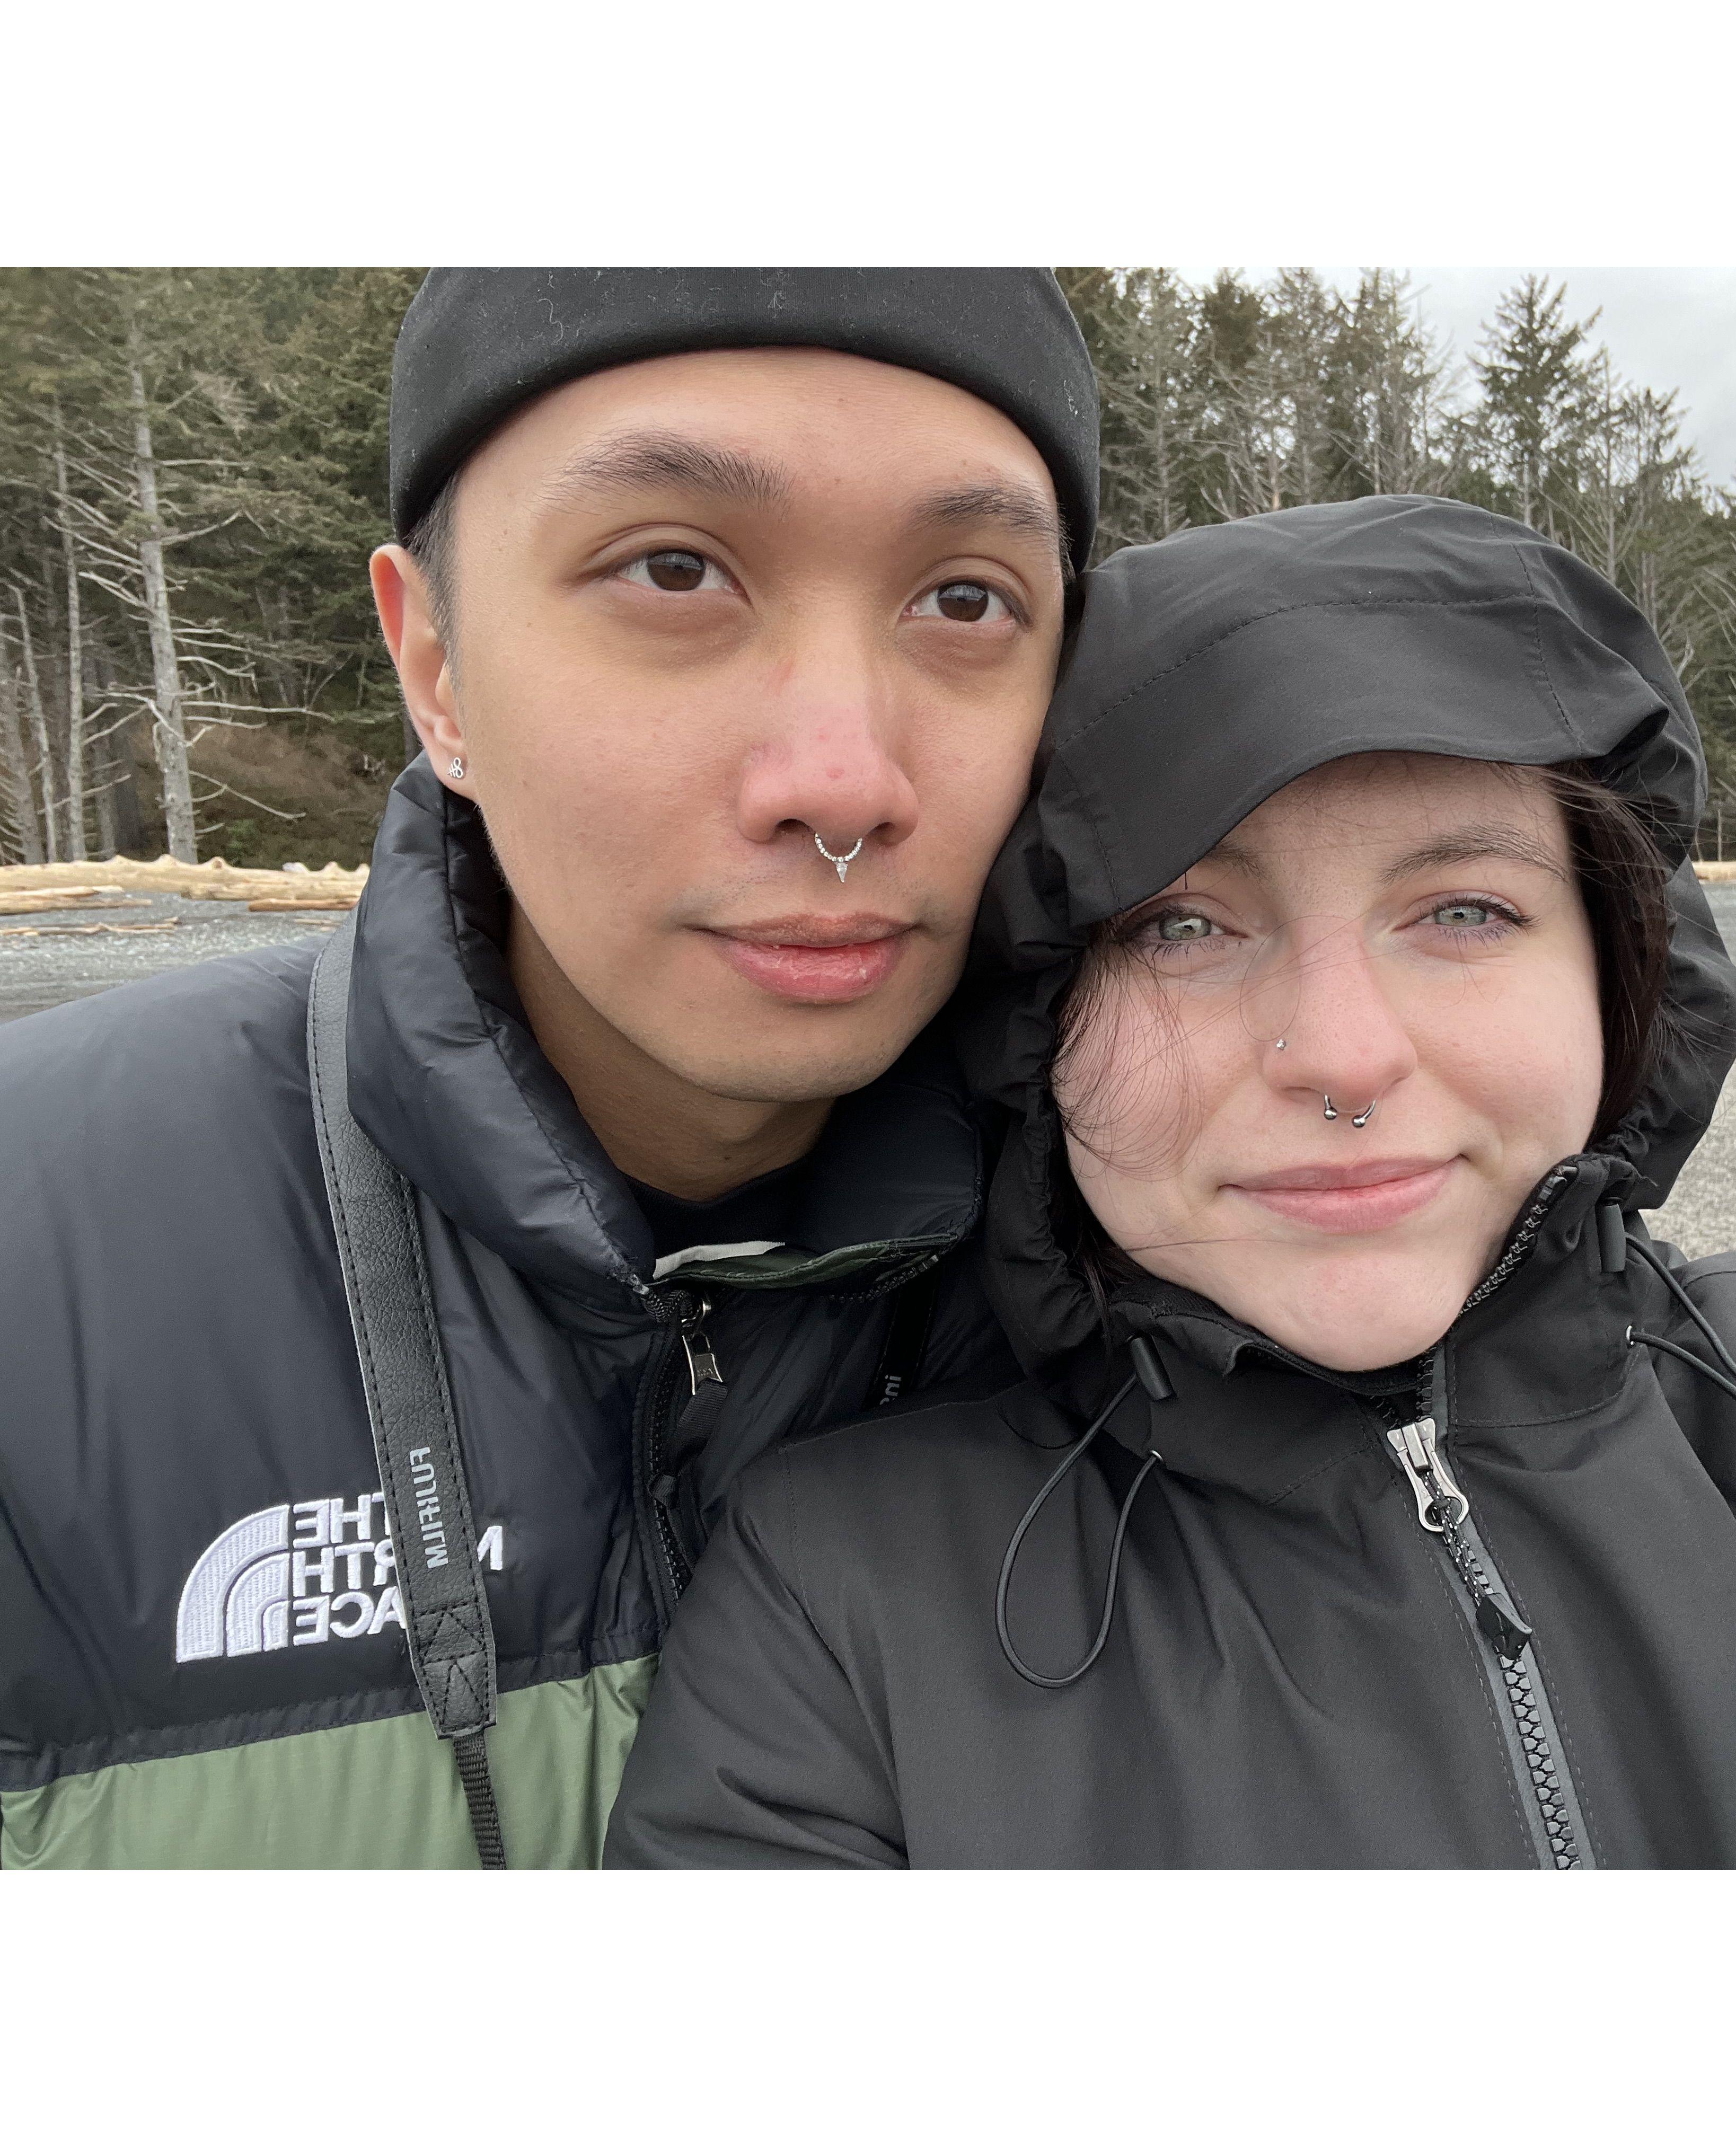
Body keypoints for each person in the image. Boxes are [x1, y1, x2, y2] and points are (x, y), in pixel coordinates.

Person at [605, 496, 1736, 1868]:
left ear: (1617, 977)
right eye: (1180, 930)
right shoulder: (841, 1611)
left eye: (1463, 909)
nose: (1342, 1057)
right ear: (1035, 1028)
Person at [0, 269, 1098, 1868]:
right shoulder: (35, 1263)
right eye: (675, 570)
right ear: (435, 662)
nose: (845, 783)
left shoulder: (1184, 1266)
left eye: (964, 602)